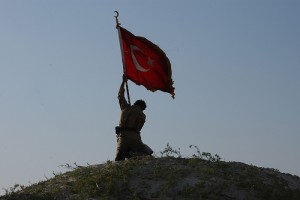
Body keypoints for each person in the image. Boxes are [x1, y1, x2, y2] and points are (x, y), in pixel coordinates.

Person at [115, 76, 153, 161]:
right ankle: (132, 153)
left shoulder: (125, 108)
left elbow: (120, 95)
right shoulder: (143, 116)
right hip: (135, 139)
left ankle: (124, 153)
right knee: (147, 152)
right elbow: (139, 128)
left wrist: (123, 82)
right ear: (142, 108)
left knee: (119, 158)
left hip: (122, 138)